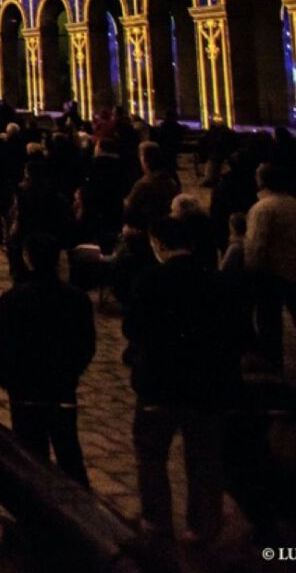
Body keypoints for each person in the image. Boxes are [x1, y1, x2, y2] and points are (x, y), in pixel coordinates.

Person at [125, 215, 241, 543]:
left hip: (159, 384)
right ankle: (202, 525)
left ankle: (156, 519)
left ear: (159, 244)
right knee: (204, 457)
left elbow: (133, 328)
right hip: (206, 385)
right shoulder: (217, 283)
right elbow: (240, 334)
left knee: (151, 454)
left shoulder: (149, 280)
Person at [0, 232, 95, 484]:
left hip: (25, 389)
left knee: (30, 454)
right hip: (62, 386)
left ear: (28, 259)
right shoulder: (77, 298)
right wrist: (72, 371)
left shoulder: (13, 299)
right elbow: (86, 344)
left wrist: (6, 379)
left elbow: (5, 346)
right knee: (68, 451)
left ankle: (35, 514)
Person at [245, 162, 296, 372]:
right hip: (291, 266)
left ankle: (271, 358)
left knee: (269, 317)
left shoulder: (263, 208)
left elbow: (256, 244)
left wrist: (251, 272)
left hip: (272, 271)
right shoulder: (292, 202)